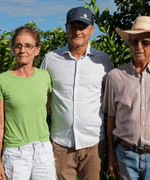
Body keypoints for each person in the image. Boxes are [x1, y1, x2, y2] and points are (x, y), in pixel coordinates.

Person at [40, 6, 113, 180]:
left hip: (93, 143)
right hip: (60, 142)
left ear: (92, 30)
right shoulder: (51, 59)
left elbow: (109, 98)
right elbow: (43, 96)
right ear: (66, 28)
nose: (78, 31)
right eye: (73, 26)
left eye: (83, 27)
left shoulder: (103, 60)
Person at [0, 26, 56, 180]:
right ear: (13, 48)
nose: (22, 50)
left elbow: (49, 111)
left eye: (28, 46)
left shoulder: (45, 77)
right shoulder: (1, 80)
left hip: (43, 150)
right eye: (18, 46)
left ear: (37, 49)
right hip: (15, 152)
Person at [102, 16, 150, 180]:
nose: (139, 47)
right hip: (125, 154)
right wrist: (111, 154)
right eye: (134, 42)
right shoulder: (115, 77)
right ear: (128, 43)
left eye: (145, 42)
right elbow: (111, 117)